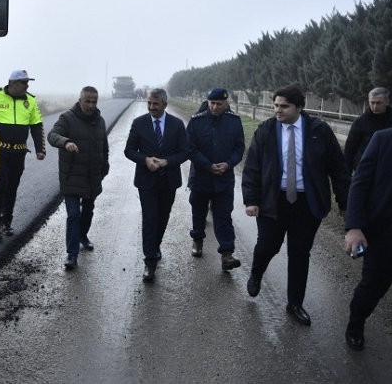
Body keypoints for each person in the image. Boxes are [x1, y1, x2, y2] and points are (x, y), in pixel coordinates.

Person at [242, 85, 350, 326]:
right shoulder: (267, 130)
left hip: (306, 203)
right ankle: (257, 273)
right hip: (274, 201)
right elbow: (252, 168)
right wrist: (251, 200)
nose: (277, 110)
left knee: (300, 254)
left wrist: (344, 203)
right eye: (275, 106)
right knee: (268, 246)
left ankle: (295, 304)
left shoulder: (318, 131)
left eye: (283, 106)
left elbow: (338, 169)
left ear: (299, 108)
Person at [343, 126, 392, 350]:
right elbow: (360, 183)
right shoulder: (384, 139)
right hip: (388, 232)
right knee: (372, 288)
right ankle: (355, 325)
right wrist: (354, 227)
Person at [124, 88, 189, 281]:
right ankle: (150, 262)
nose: (152, 107)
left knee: (162, 218)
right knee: (150, 219)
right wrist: (145, 160)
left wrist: (167, 161)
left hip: (169, 181)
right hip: (147, 182)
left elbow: (185, 152)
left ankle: (155, 245)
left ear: (165, 105)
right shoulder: (139, 123)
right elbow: (129, 150)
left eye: (156, 104)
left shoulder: (177, 125)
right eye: (149, 104)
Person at [48, 86, 110, 269]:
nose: (91, 105)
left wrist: (104, 168)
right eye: (87, 101)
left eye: (94, 102)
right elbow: (52, 135)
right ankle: (71, 254)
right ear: (80, 100)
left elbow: (104, 147)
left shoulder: (100, 121)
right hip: (71, 177)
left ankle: (83, 236)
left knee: (88, 211)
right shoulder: (66, 118)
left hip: (92, 177)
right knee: (73, 215)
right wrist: (65, 142)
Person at [0, 69, 46, 241]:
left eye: (28, 83)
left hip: (18, 152)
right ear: (12, 83)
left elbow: (36, 126)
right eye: (23, 83)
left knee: (12, 187)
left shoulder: (31, 101)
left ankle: (7, 223)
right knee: (0, 186)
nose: (27, 86)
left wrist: (40, 149)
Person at [186, 88, 245, 270]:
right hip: (201, 178)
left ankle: (227, 254)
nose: (215, 107)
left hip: (224, 179)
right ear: (207, 102)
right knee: (199, 212)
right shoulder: (196, 122)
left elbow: (239, 148)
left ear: (226, 104)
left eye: (219, 104)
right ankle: (198, 240)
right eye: (212, 103)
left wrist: (228, 164)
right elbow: (189, 148)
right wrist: (208, 165)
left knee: (224, 216)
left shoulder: (234, 122)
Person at [343, 87, 392, 173]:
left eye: (378, 103)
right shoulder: (360, 122)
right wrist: (347, 173)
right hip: (365, 168)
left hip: (391, 168)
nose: (375, 106)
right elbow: (350, 148)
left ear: (387, 102)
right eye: (372, 103)